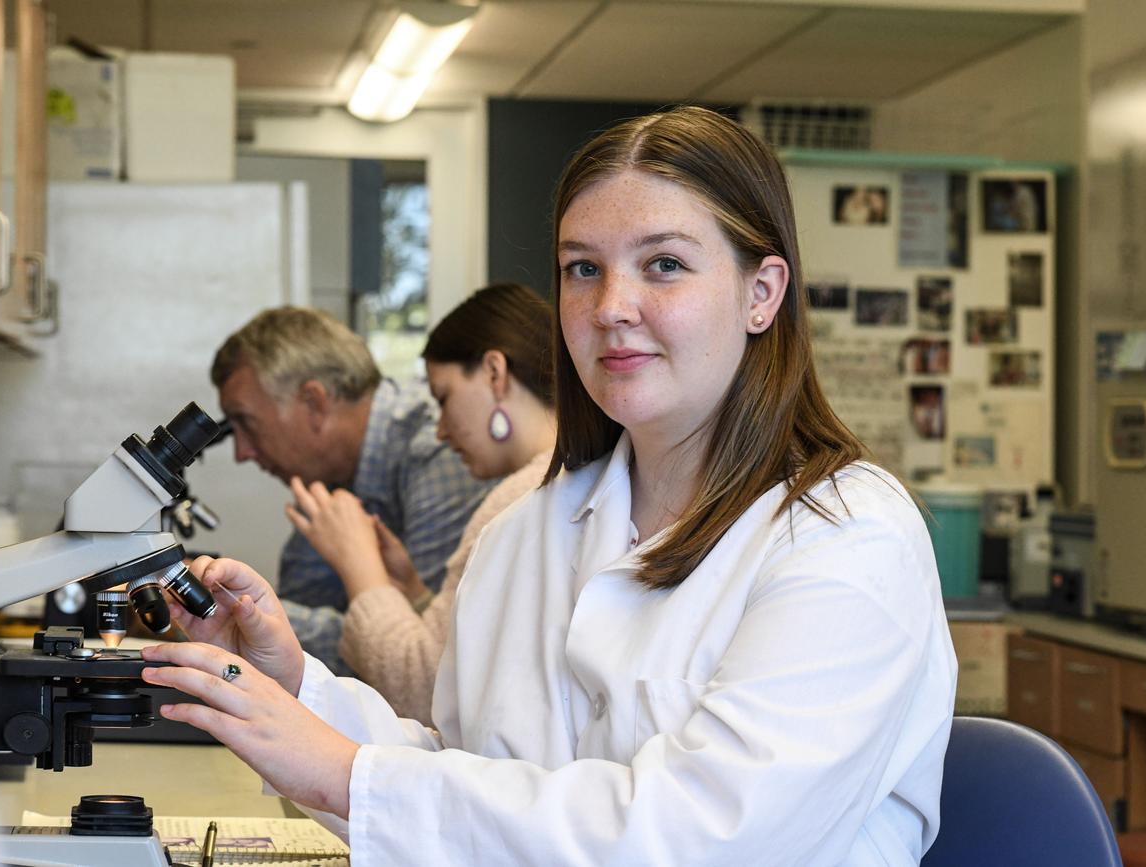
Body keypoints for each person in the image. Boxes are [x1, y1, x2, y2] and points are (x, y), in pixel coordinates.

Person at [146, 106, 957, 864]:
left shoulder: (847, 536)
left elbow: (704, 835)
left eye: (664, 264)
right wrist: (288, 691)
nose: (612, 307)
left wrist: (347, 773)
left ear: (761, 293)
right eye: (582, 269)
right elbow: (464, 778)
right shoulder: (530, 529)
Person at [284, 283, 556, 723]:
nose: (442, 431)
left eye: (444, 399)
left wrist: (362, 572)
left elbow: (425, 692)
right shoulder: (558, 486)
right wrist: (410, 593)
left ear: (494, 373)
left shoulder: (521, 500)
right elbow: (473, 663)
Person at [210, 307, 491, 673]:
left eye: (246, 423)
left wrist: (223, 611)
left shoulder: (438, 453)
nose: (242, 453)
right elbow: (300, 617)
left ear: (314, 402)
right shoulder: (327, 475)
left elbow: (414, 659)